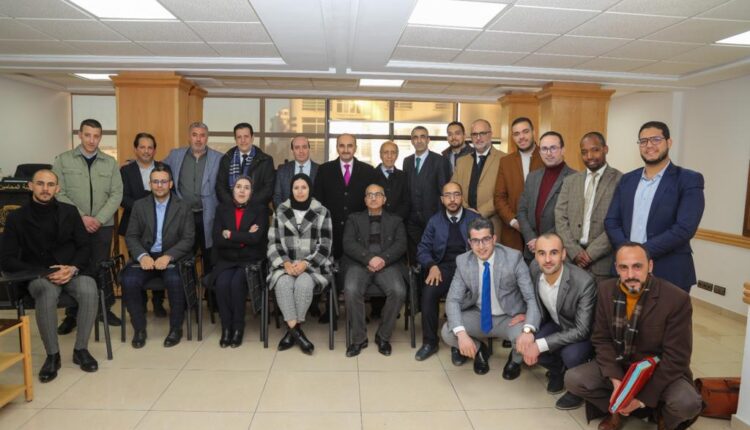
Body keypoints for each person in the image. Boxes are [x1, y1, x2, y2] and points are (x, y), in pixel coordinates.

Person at [565, 243, 703, 430]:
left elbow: (677, 357)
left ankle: (662, 417)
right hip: (621, 364)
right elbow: (602, 339)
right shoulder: (606, 290)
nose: (630, 274)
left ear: (650, 266)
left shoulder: (676, 299)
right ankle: (617, 410)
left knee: (688, 403)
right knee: (573, 379)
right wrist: (616, 381)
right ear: (616, 268)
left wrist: (640, 399)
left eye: (637, 266)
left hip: (658, 370)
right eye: (624, 267)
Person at [0, 169, 99, 382]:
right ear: (30, 186)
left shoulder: (70, 212)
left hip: (70, 271)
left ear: (57, 188)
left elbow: (85, 246)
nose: (45, 189)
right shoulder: (16, 217)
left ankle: (81, 350)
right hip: (38, 276)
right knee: (46, 293)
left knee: (89, 288)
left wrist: (72, 268)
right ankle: (53, 356)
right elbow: (6, 259)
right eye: (40, 183)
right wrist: (43, 273)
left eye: (50, 184)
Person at [604, 121, 704, 292]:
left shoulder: (688, 179)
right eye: (643, 141)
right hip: (625, 270)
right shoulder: (627, 179)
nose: (649, 145)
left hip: (669, 270)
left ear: (669, 142)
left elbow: (684, 228)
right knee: (623, 311)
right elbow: (611, 221)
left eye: (656, 139)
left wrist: (639, 253)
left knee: (666, 311)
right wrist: (628, 254)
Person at [440, 217, 540, 380]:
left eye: (486, 239)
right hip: (478, 315)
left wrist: (528, 328)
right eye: (475, 241)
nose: (481, 246)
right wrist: (462, 335)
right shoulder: (463, 261)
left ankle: (515, 360)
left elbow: (530, 297)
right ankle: (480, 350)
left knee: (526, 337)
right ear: (470, 243)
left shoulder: (513, 258)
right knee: (448, 332)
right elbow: (453, 300)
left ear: (494, 239)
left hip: (510, 317)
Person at [53, 118, 123, 334]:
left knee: (100, 267)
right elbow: (59, 192)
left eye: (96, 136)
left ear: (100, 137)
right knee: (74, 267)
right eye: (87, 135)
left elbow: (117, 194)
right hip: (73, 225)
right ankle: (72, 314)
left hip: (103, 225)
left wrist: (99, 219)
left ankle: (103, 310)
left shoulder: (110, 163)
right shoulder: (63, 160)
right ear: (80, 135)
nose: (92, 140)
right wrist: (82, 217)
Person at [121, 165, 195, 348]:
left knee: (176, 281)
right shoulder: (139, 205)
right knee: (129, 280)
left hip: (171, 257)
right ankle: (139, 329)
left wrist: (169, 256)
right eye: (155, 182)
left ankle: (176, 329)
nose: (159, 185)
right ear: (150, 184)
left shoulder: (183, 206)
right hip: (146, 257)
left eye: (163, 181)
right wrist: (142, 256)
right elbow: (131, 236)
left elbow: (188, 239)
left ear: (170, 184)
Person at [520, 233, 596, 410]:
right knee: (526, 341)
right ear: (535, 255)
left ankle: (577, 389)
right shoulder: (534, 269)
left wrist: (540, 344)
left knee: (570, 354)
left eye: (553, 253)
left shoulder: (584, 282)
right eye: (542, 253)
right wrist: (526, 325)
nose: (547, 259)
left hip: (581, 332)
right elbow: (532, 301)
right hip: (557, 322)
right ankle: (558, 371)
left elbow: (582, 330)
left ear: (563, 254)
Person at [267, 174, 333, 355]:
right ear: (291, 190)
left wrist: (306, 263)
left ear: (310, 189)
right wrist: (286, 263)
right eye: (296, 188)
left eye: (304, 187)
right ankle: (297, 332)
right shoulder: (281, 210)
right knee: (283, 284)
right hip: (285, 266)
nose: (300, 191)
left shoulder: (322, 211)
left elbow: (325, 246)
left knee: (303, 284)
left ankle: (291, 333)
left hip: (313, 267)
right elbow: (273, 243)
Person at [313, 133, 375, 321]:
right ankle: (330, 310)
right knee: (330, 269)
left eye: (349, 145)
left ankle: (357, 312)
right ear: (337, 147)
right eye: (342, 145)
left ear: (355, 148)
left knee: (356, 270)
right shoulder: (325, 170)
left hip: (358, 233)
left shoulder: (368, 171)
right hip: (331, 230)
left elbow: (371, 203)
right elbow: (318, 201)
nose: (346, 149)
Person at [414, 182, 479, 362]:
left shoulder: (474, 219)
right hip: (443, 268)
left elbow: (486, 247)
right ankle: (430, 342)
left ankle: (459, 344)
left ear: (462, 198)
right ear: (442, 200)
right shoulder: (435, 221)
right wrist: (432, 265)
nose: (452, 199)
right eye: (448, 196)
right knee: (429, 292)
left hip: (469, 268)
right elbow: (422, 249)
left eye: (456, 195)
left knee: (465, 296)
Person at [342, 183, 407, 357]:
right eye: (369, 195)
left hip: (387, 265)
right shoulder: (354, 219)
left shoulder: (396, 220)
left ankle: (383, 336)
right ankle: (359, 339)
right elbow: (348, 243)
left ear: (384, 199)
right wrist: (369, 258)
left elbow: (401, 245)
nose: (373, 198)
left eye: (377, 194)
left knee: (399, 291)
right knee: (351, 289)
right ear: (365, 200)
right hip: (359, 264)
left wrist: (383, 259)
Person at [555, 132, 622, 282]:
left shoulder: (621, 180)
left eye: (595, 150)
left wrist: (591, 254)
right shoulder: (570, 181)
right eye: (584, 152)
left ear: (605, 149)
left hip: (602, 265)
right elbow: (560, 217)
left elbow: (619, 223)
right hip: (572, 262)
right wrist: (574, 251)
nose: (589, 156)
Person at [211, 176, 268, 348]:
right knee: (222, 284)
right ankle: (226, 328)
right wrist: (244, 237)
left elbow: (256, 239)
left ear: (251, 192)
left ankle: (238, 328)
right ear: (233, 189)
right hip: (226, 259)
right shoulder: (222, 209)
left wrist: (230, 234)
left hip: (249, 260)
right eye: (238, 186)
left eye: (246, 187)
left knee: (236, 283)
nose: (242, 190)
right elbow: (217, 239)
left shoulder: (260, 210)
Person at [119, 132, 167, 317]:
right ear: (136, 149)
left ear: (154, 150)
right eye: (142, 147)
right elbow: (122, 197)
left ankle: (158, 302)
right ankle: (140, 303)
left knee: (159, 265)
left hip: (161, 226)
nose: (146, 151)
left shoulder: (164, 168)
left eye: (150, 147)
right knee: (140, 264)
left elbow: (171, 194)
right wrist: (144, 209)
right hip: (134, 225)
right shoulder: (126, 171)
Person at [164, 122, 222, 272]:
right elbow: (158, 168)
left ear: (207, 138)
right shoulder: (175, 155)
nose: (198, 139)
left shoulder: (218, 158)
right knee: (185, 256)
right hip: (184, 215)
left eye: (202, 135)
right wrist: (136, 163)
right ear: (189, 137)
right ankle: (188, 287)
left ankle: (209, 287)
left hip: (208, 215)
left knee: (210, 256)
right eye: (195, 135)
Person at [517, 131, 576, 261]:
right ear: (539, 152)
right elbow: (521, 211)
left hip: (557, 251)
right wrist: (531, 237)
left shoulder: (575, 178)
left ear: (563, 150)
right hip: (531, 250)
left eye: (553, 148)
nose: (548, 153)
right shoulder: (532, 177)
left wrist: (542, 241)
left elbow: (572, 218)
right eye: (544, 149)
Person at [493, 117, 543, 251]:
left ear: (533, 132)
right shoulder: (506, 162)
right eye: (516, 134)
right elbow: (499, 198)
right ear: (512, 137)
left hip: (542, 232)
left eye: (525, 132)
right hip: (513, 232)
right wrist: (514, 222)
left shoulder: (546, 157)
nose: (521, 137)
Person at [403, 126, 451, 262]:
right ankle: (416, 275)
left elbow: (444, 190)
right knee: (415, 255)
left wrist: (443, 216)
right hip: (412, 220)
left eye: (422, 136)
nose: (419, 140)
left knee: (433, 253)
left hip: (433, 217)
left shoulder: (440, 161)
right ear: (411, 141)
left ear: (428, 139)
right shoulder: (407, 161)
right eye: (415, 137)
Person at [452, 119, 505, 237]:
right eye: (474, 134)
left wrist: (479, 213)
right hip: (464, 222)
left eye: (482, 133)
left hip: (493, 223)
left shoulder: (504, 159)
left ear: (490, 134)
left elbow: (504, 193)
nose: (478, 138)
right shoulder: (461, 161)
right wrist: (467, 211)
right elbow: (454, 190)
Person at [216, 122, 275, 207]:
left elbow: (268, 189)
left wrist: (248, 204)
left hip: (256, 210)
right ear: (235, 139)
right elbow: (220, 187)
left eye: (246, 136)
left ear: (252, 138)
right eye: (239, 137)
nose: (243, 140)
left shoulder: (266, 160)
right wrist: (232, 204)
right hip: (231, 209)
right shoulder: (226, 159)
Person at [273, 135, 319, 208]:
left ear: (309, 149)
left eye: (304, 147)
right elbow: (277, 197)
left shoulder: (320, 170)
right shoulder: (282, 170)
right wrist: (287, 213)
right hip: (287, 214)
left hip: (314, 214)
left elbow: (323, 198)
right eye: (297, 148)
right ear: (292, 151)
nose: (301, 151)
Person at [374, 140, 409, 221]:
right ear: (380, 155)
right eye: (386, 152)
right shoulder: (370, 175)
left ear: (397, 155)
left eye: (393, 152)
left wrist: (394, 220)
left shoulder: (404, 176)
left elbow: (406, 202)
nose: (389, 156)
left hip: (398, 222)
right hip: (376, 222)